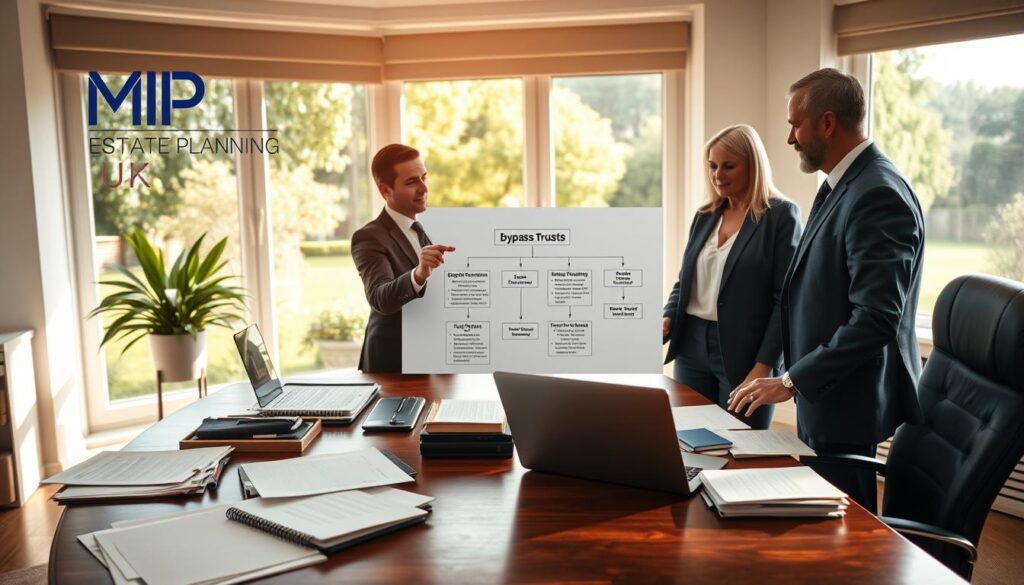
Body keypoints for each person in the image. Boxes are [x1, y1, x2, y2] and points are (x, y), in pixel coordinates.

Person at [727, 68, 925, 511]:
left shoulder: (877, 193)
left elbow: (875, 318)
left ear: (828, 123)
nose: (789, 138)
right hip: (825, 395)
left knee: (846, 529)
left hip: (846, 402)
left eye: (795, 124)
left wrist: (792, 380)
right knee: (826, 520)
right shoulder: (844, 183)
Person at [663, 124, 802, 430]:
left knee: (742, 443)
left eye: (728, 166)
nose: (717, 175)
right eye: (712, 166)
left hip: (746, 352)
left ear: (753, 166)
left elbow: (786, 300)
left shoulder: (781, 216)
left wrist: (764, 365)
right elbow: (685, 282)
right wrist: (668, 315)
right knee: (691, 439)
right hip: (690, 347)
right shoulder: (705, 215)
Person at [351, 144, 455, 373]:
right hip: (393, 365)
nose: (423, 188)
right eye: (411, 182)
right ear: (385, 191)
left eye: (424, 177)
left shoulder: (437, 227)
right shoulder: (368, 237)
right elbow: (380, 297)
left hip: (438, 359)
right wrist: (418, 274)